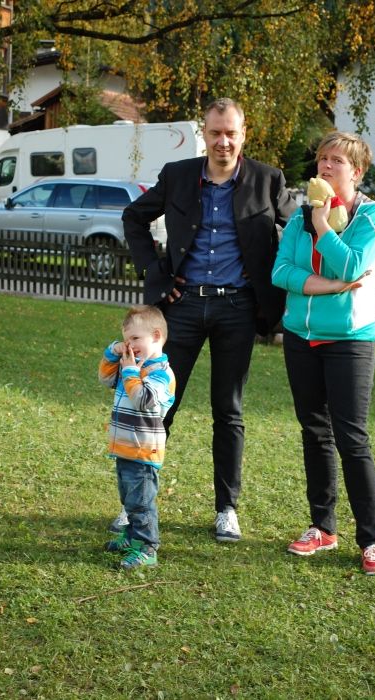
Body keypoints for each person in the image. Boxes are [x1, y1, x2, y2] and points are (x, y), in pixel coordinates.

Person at [122, 97, 297, 542]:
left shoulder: (268, 180)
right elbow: (134, 217)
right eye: (215, 132)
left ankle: (226, 509)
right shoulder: (178, 175)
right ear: (205, 134)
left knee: (228, 410)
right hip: (180, 309)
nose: (223, 141)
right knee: (159, 405)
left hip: (237, 309)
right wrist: (155, 272)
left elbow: (299, 229)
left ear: (243, 134)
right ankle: (136, 504)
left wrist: (277, 270)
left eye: (231, 133)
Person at [272, 131, 375, 575]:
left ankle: (371, 540)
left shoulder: (372, 215)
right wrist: (331, 287)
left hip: (350, 339)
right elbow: (281, 271)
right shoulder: (300, 215)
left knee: (351, 438)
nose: (324, 166)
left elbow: (352, 264)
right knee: (314, 432)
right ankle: (322, 527)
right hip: (301, 337)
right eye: (322, 158)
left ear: (356, 171)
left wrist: (324, 228)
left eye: (336, 160)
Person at [99, 305, 175, 570]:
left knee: (142, 503)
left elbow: (143, 399)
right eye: (126, 339)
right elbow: (105, 378)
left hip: (143, 450)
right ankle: (132, 537)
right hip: (125, 447)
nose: (129, 345)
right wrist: (113, 352)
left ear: (156, 336)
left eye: (134, 338)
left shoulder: (161, 373)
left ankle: (147, 548)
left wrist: (131, 372)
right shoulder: (132, 365)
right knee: (130, 499)